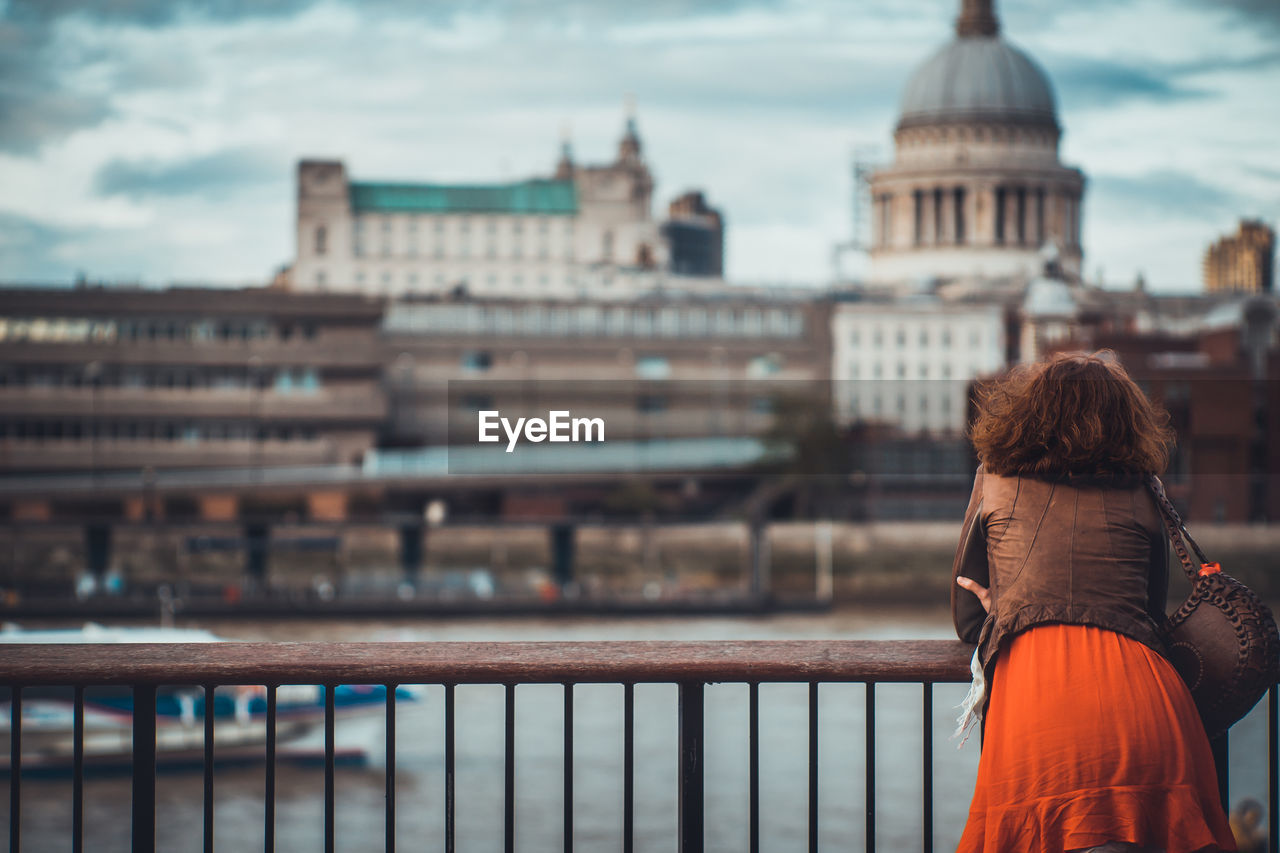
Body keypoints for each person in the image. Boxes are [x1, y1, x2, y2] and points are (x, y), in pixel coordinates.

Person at [951, 351, 1236, 853]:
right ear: (1126, 419)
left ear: (1026, 411)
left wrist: (1011, 602)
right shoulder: (1146, 491)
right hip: (1149, 709)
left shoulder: (993, 478)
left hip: (1038, 714)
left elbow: (967, 618)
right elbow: (1149, 611)